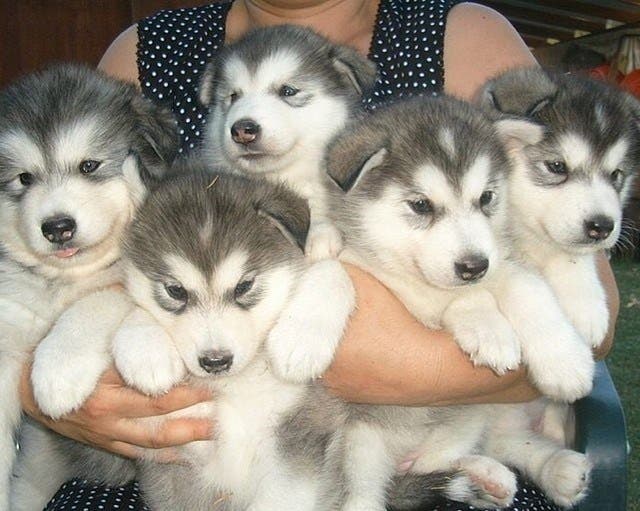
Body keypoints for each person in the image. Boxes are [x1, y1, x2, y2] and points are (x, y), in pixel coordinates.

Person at [19, 1, 619, 509]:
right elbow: (93, 262)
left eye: (289, 93)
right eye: (232, 99)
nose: (248, 120)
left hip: (381, 436)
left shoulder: (459, 32)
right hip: (178, 455)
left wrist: (409, 353)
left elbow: (586, 317)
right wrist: (42, 385)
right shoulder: (148, 49)